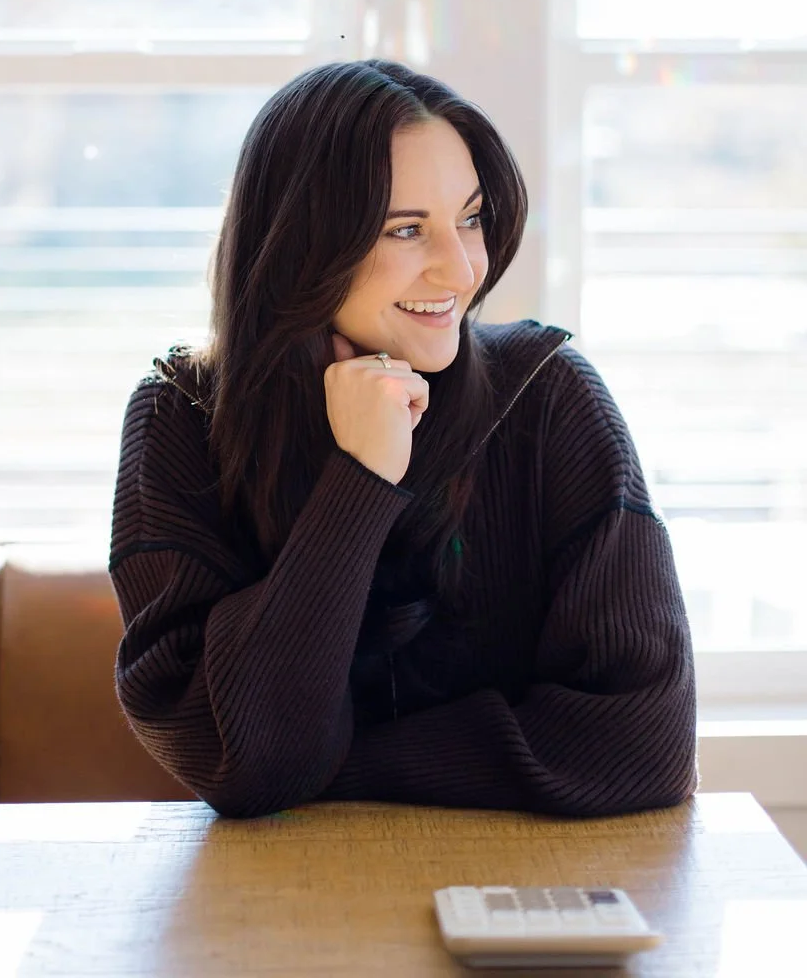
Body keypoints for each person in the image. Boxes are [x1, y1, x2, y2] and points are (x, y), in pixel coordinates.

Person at [108, 59, 698, 819]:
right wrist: (360, 480)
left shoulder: (547, 397)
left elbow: (641, 747)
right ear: (299, 245)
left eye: (472, 218)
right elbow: (242, 763)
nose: (461, 268)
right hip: (273, 913)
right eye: (407, 229)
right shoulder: (180, 420)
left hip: (521, 894)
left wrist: (330, 769)